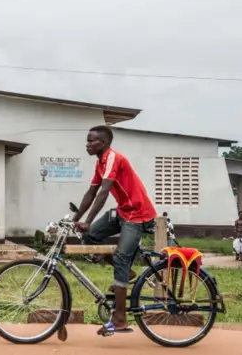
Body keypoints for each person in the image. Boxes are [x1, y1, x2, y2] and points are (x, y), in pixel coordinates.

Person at [72, 125, 156, 335]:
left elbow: (103, 192)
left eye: (92, 141)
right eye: (87, 140)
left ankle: (120, 318)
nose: (87, 144)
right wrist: (75, 220)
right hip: (123, 212)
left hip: (137, 214)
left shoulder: (112, 158)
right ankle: (126, 273)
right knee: (90, 236)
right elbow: (91, 192)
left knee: (120, 258)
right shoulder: (100, 163)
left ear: (104, 143)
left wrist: (89, 219)